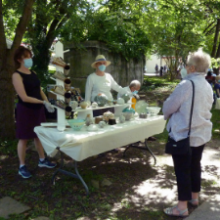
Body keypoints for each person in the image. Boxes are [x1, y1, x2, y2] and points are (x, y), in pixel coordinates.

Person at [162, 50, 213, 217]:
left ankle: (181, 207)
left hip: (184, 135)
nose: (184, 67)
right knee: (195, 166)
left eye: (186, 64)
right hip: (201, 134)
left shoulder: (186, 85)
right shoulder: (207, 86)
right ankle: (194, 198)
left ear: (191, 68)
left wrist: (167, 112)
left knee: (182, 170)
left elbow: (168, 107)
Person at [12, 46, 56, 179]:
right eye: (27, 57)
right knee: (24, 138)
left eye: (30, 56)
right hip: (25, 110)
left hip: (38, 109)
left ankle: (42, 160)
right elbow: (24, 97)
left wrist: (47, 101)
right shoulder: (16, 75)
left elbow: (40, 90)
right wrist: (42, 103)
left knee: (39, 135)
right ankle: (22, 166)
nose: (30, 59)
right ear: (19, 59)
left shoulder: (33, 73)